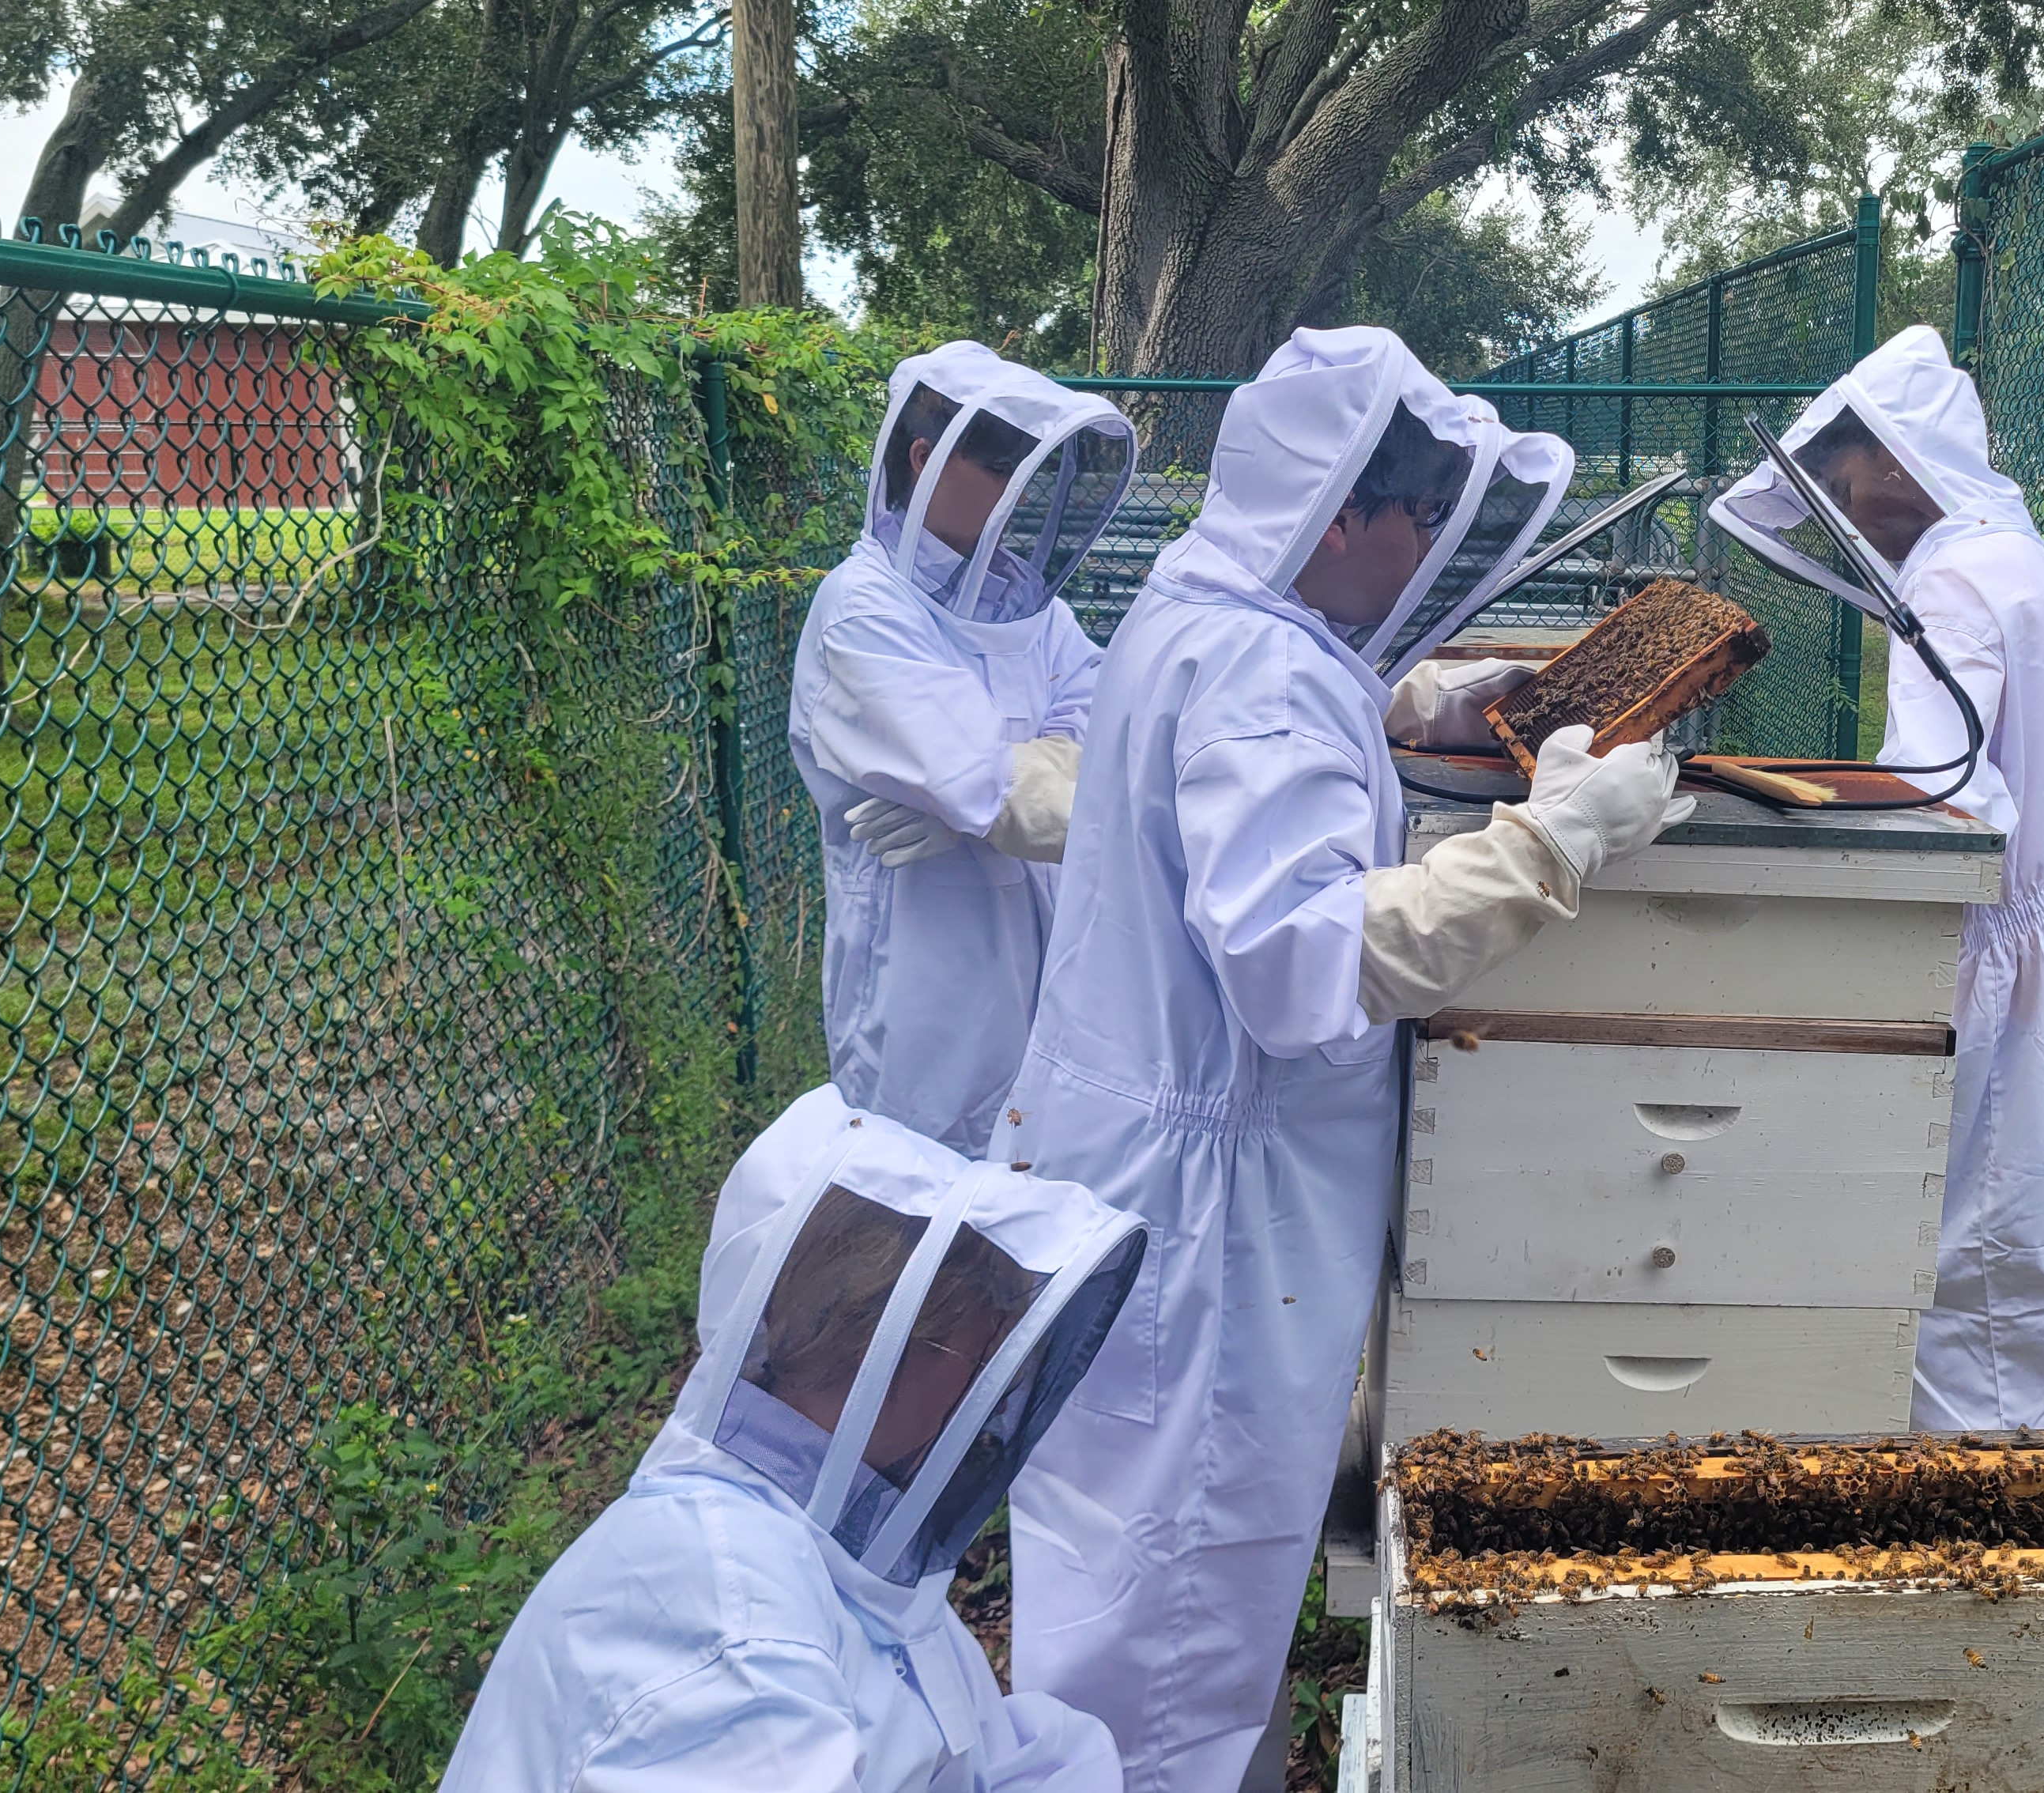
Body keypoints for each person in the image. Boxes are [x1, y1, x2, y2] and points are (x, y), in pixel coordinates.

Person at [994, 327, 1690, 1792]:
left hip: (1141, 1159)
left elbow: (1260, 720)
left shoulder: (1197, 604)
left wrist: (1424, 699)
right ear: (1337, 511)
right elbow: (1307, 967)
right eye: (1418, 515)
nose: (1430, 542)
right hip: (1214, 1219)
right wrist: (1554, 837)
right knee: (1182, 1589)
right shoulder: (1258, 674)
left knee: (1136, 1564)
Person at [439, 1085, 1148, 1790]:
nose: (986, 1398)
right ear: (886, 1348)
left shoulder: (831, 1552)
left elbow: (987, 1757)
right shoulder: (722, 1616)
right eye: (981, 1360)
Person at [1712, 323, 2044, 1432]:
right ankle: (2042, 1463)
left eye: (1841, 472)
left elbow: (1940, 813)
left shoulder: (1952, 589)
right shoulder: (2036, 575)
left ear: (1897, 455)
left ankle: (1984, 1510)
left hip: (2006, 953)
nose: (1835, 503)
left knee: (1974, 1235)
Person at [789, 342, 1137, 1156]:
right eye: (1003, 474)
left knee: (1032, 1177)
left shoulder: (1024, 601)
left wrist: (991, 798)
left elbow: (1104, 715)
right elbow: (974, 775)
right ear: (927, 460)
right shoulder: (862, 612)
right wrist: (999, 791)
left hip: (1041, 945)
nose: (1018, 500)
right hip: (920, 966)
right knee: (912, 1186)